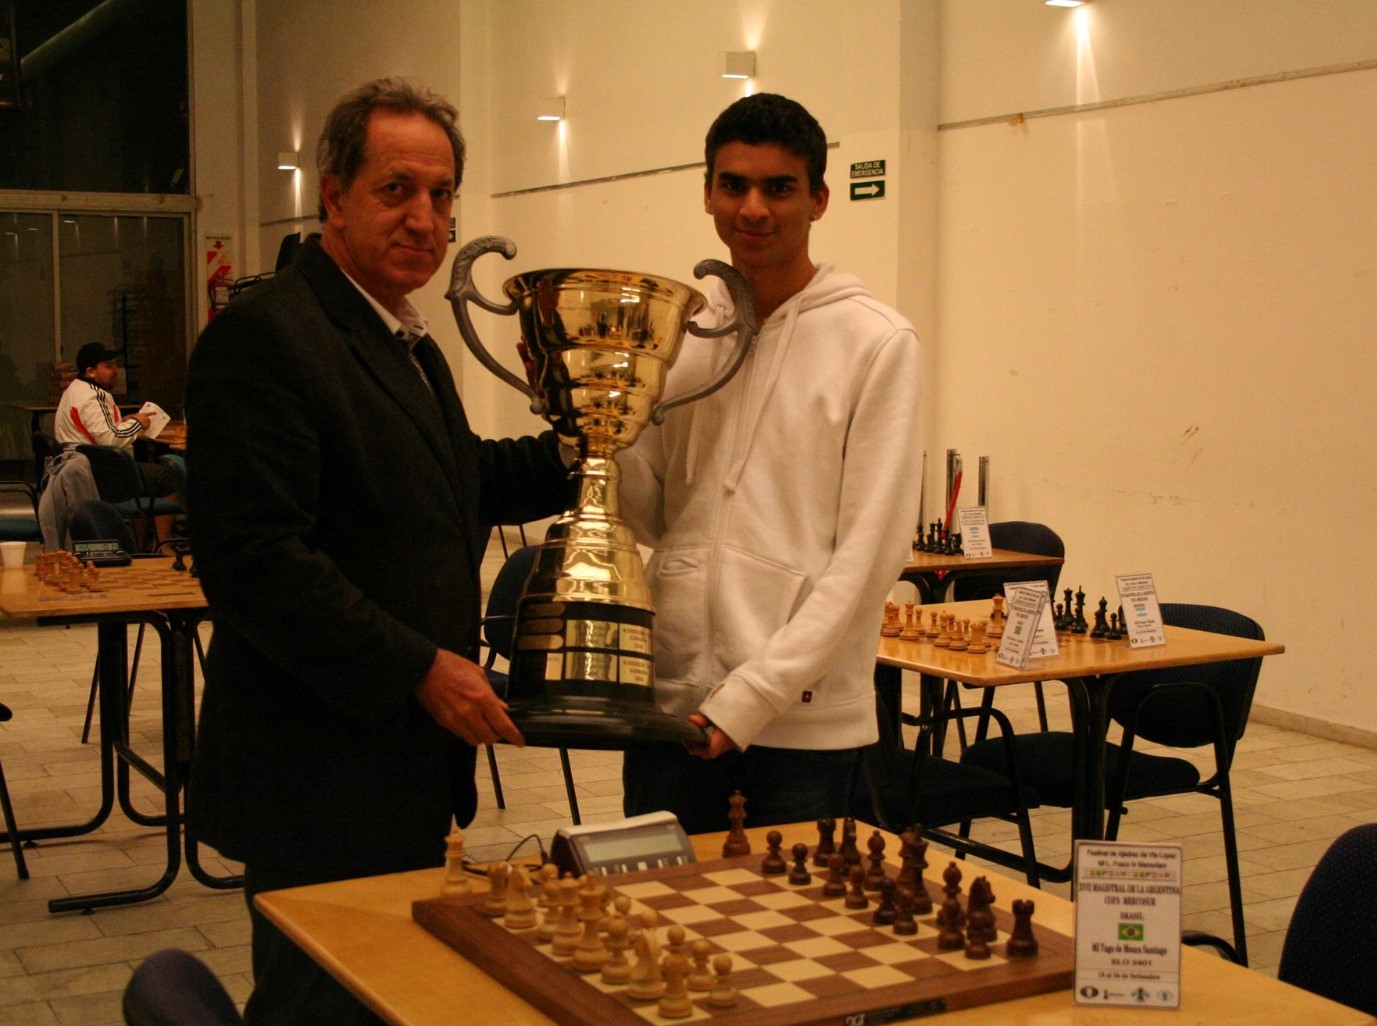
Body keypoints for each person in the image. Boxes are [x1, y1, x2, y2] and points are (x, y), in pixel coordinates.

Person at [184, 78, 572, 1026]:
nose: (423, 218)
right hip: (317, 773)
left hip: (394, 766)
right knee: (321, 1007)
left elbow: (455, 477)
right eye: (396, 189)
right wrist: (418, 667)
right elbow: (253, 561)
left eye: (441, 197)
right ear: (334, 197)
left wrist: (585, 441)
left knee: (379, 1002)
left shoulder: (400, 336)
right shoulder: (268, 336)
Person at [618, 93, 925, 836]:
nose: (752, 209)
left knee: (791, 947)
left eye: (778, 188)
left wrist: (753, 695)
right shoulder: (684, 336)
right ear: (707, 194)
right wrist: (591, 420)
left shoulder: (876, 342)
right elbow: (653, 516)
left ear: (818, 198)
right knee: (657, 939)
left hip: (799, 727)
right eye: (733, 186)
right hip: (672, 709)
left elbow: (869, 554)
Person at [53, 342, 179, 536]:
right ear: (91, 371)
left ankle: (140, 543)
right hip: (103, 474)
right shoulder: (94, 397)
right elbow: (111, 439)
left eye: (115, 365)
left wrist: (124, 421)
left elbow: (99, 430)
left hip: (87, 469)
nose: (115, 371)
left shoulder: (76, 390)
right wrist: (138, 422)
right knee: (166, 476)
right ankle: (161, 545)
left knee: (146, 473)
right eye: (108, 366)